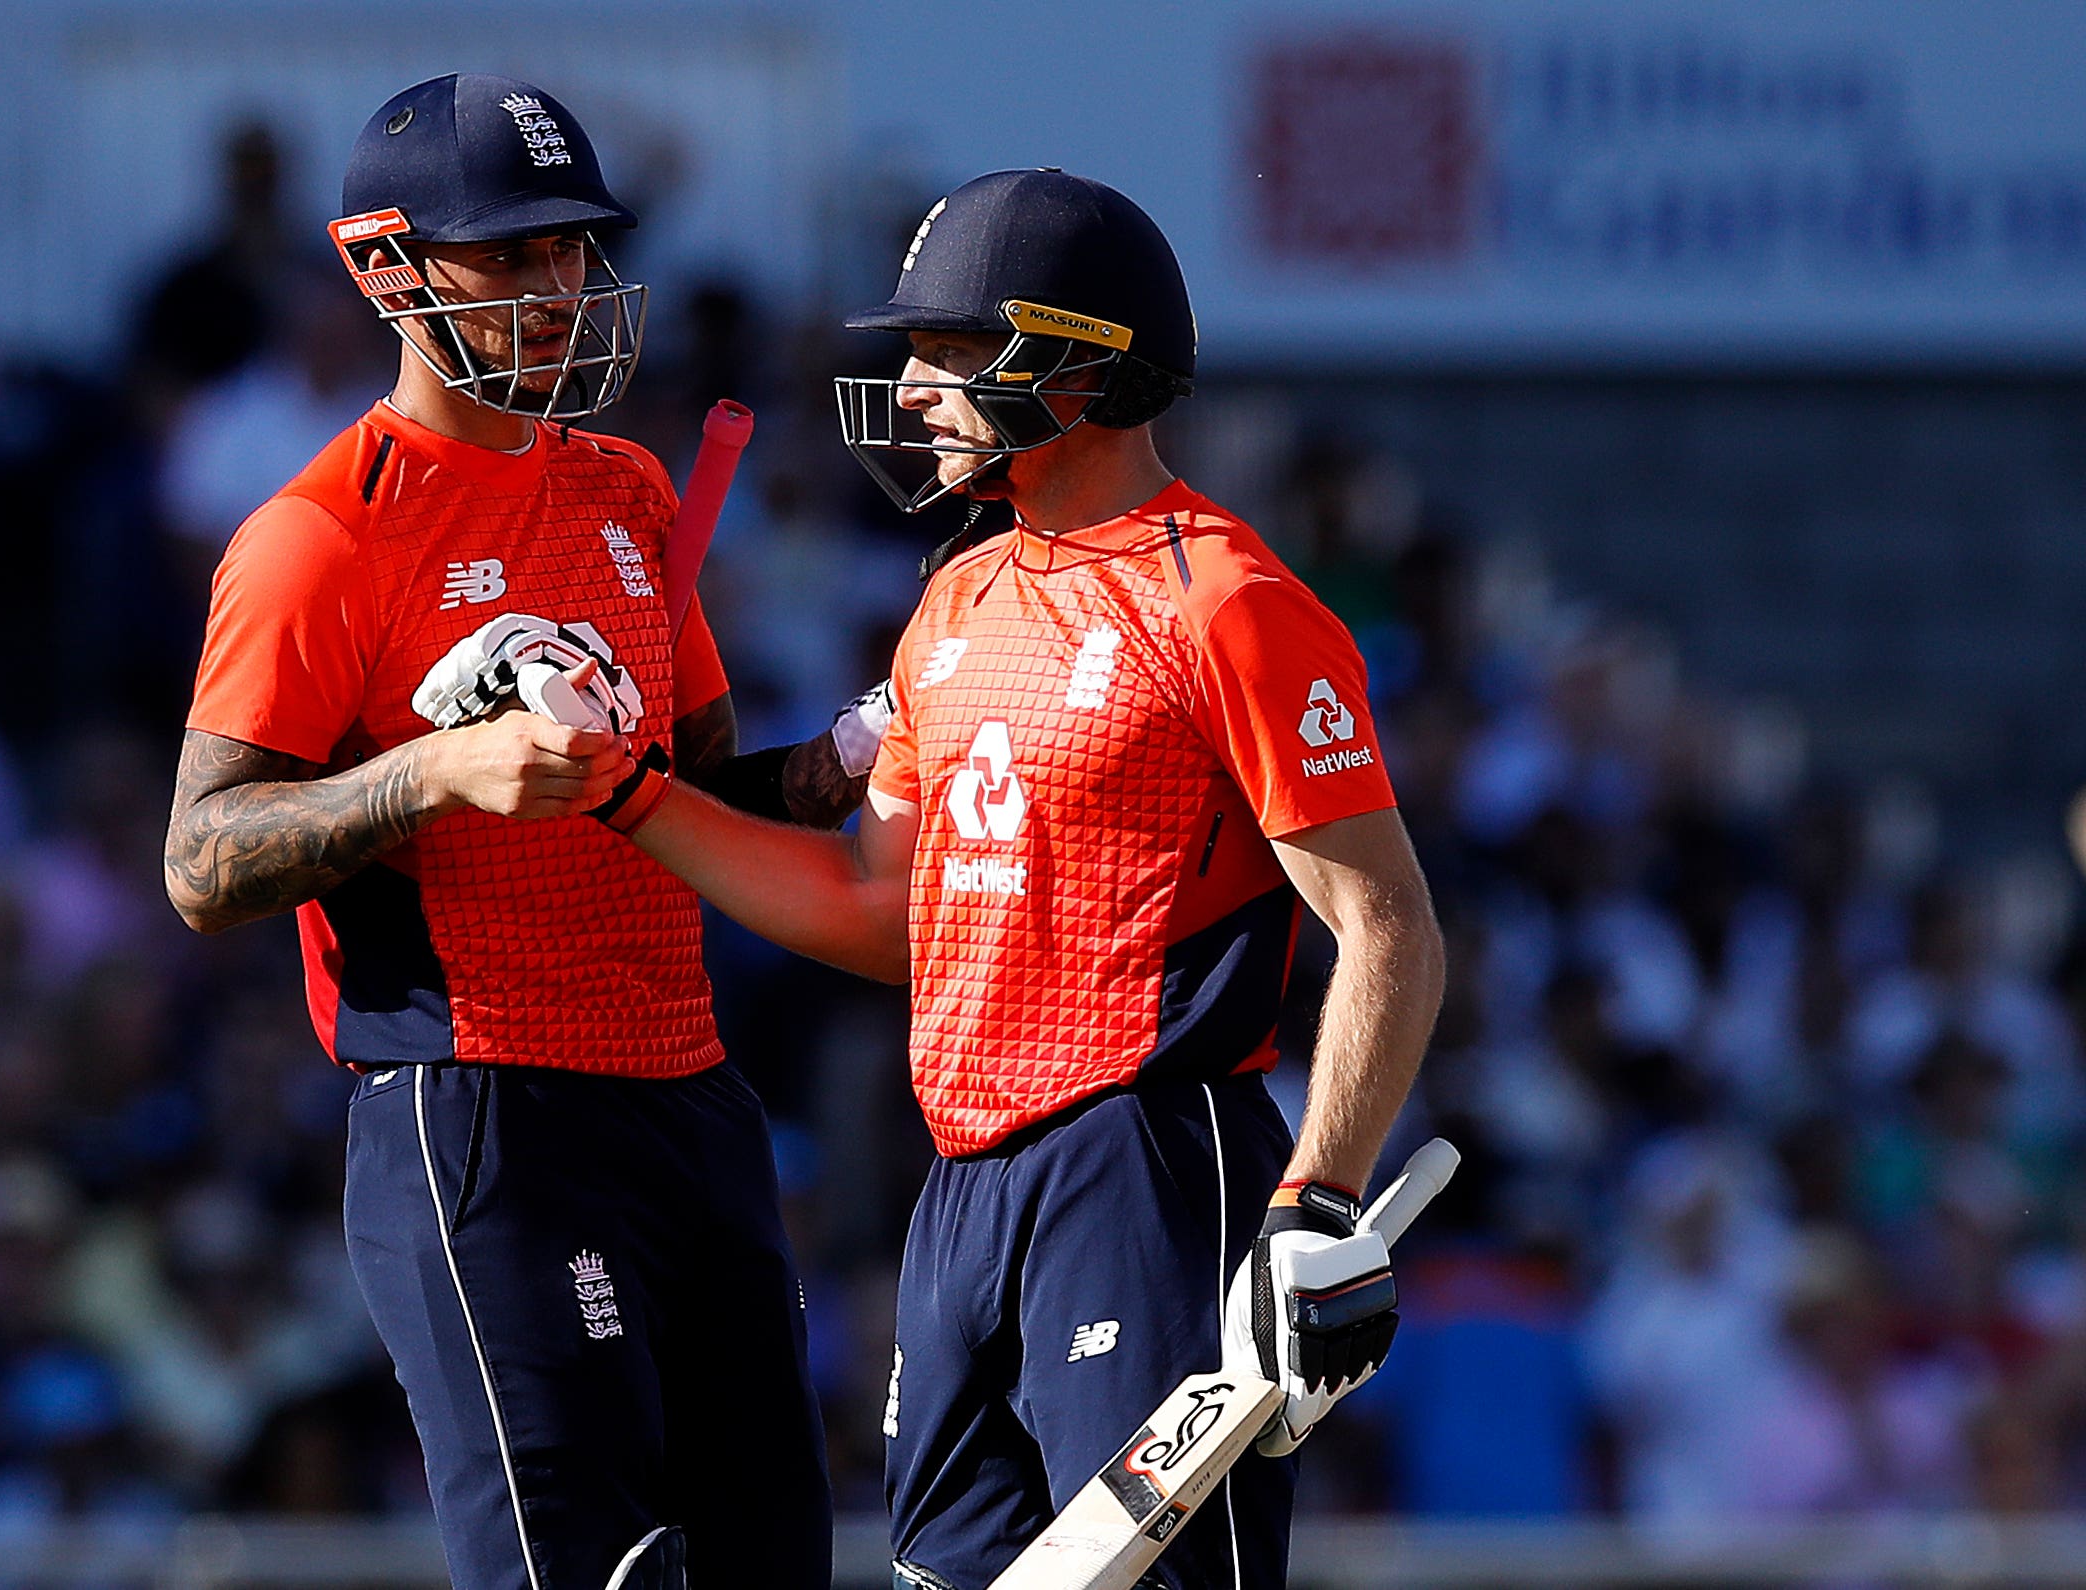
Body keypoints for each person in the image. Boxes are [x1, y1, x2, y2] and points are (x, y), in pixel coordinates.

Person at [610, 170, 1446, 1588]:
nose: (916, 388)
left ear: (1077, 359)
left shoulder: (1231, 603)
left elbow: (1389, 926)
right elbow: (888, 915)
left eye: (950, 349)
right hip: (963, 1189)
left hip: (1148, 1170)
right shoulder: (953, 597)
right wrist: (631, 804)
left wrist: (1319, 1199)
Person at [162, 74, 874, 1590]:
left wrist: (840, 764)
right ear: (388, 267)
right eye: (516, 251)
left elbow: (692, 805)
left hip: (689, 1091)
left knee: (771, 1565)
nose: (562, 283)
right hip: (481, 1104)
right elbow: (201, 858)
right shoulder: (317, 535)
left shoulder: (626, 486)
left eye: (575, 246)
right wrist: (431, 772)